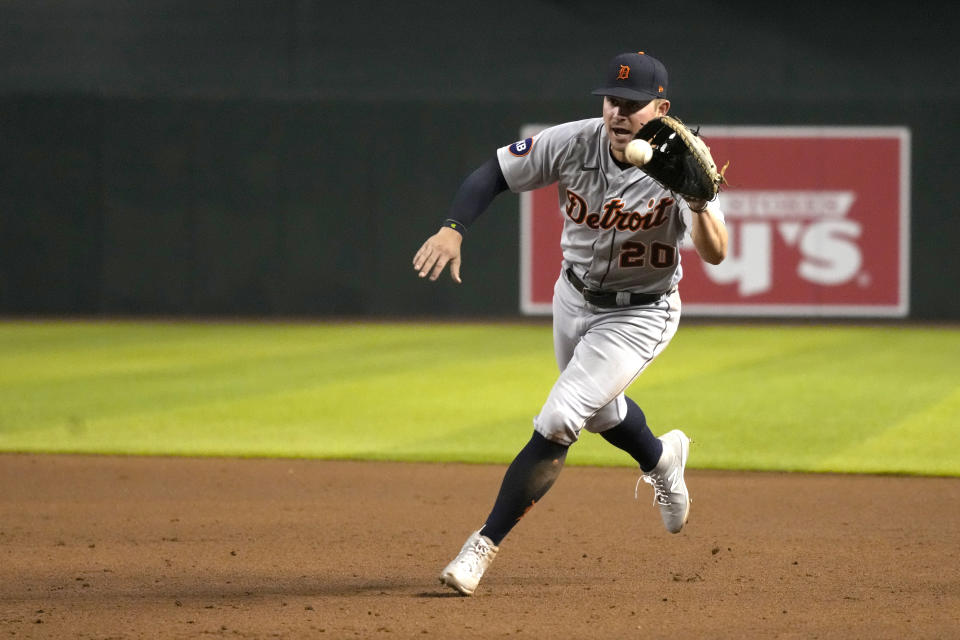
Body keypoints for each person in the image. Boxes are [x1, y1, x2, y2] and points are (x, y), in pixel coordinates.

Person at [412, 51, 728, 596]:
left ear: (662, 107)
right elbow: (493, 173)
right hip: (574, 296)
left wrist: (699, 203)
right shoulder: (575, 140)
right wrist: (453, 226)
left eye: (633, 105)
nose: (618, 114)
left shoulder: (681, 162)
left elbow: (716, 253)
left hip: (641, 311)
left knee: (561, 418)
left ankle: (480, 547)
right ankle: (663, 458)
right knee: (602, 415)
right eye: (612, 101)